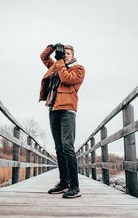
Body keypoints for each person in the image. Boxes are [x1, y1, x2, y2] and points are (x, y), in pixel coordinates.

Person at [39, 43, 85, 198]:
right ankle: (64, 183)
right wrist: (52, 47)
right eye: (63, 52)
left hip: (68, 111)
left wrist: (59, 61)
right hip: (53, 109)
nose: (64, 55)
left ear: (73, 56)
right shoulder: (57, 66)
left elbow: (66, 78)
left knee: (67, 147)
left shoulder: (78, 69)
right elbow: (43, 57)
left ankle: (75, 187)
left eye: (67, 53)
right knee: (59, 148)